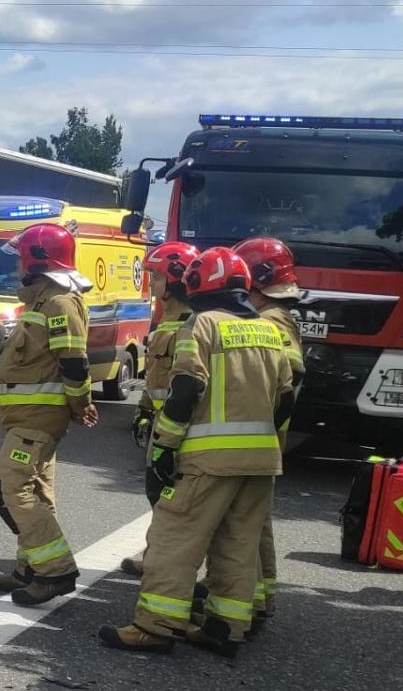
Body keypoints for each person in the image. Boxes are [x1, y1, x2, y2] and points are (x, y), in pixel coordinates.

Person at [100, 247, 299, 657]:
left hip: (210, 459)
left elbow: (186, 390)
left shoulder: (202, 324)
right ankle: (226, 628)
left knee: (174, 537)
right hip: (261, 460)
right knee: (238, 543)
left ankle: (155, 626)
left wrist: (164, 449)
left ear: (198, 286)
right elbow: (286, 398)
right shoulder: (266, 329)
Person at [0, 223, 97, 606]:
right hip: (29, 416)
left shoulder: (60, 303)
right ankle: (29, 569)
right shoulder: (42, 302)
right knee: (36, 491)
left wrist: (81, 406)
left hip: (39, 418)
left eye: (21, 259)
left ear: (38, 260)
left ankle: (55, 572)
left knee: (8, 488)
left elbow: (74, 364)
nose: (16, 267)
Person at [232, 236, 304, 633]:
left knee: (246, 522)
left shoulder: (271, 320)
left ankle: (249, 603)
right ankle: (257, 597)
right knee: (252, 520)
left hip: (259, 437)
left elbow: (289, 377)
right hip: (263, 436)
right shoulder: (275, 315)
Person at [119, 242, 200, 578]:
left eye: (155, 276)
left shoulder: (192, 324)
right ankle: (156, 556)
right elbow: (155, 377)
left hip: (178, 429)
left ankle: (168, 568)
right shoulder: (165, 320)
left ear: (176, 279)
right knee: (158, 495)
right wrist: (142, 410)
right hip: (159, 422)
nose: (150, 283)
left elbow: (187, 384)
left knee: (170, 498)